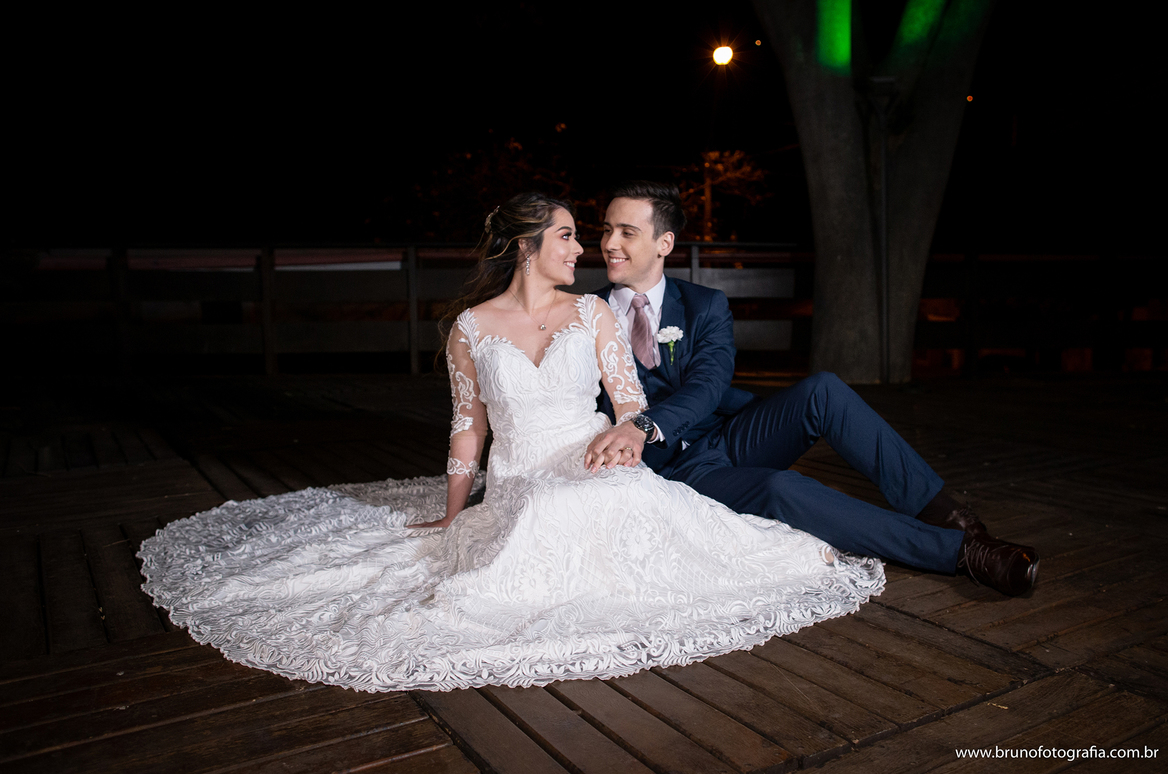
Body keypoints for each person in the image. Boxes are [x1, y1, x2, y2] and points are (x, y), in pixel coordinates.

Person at [139, 192, 885, 694]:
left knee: (623, 499)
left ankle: (760, 553)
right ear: (528, 246)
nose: (584, 245)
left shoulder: (592, 313)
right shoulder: (471, 329)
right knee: (539, 512)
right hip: (522, 466)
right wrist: (454, 509)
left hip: (589, 450)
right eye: (567, 234)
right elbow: (468, 428)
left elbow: (629, 400)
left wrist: (627, 433)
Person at [590, 180, 1038, 596]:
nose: (610, 243)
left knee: (824, 389)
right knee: (781, 488)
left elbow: (709, 383)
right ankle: (963, 553)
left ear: (664, 243)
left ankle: (952, 517)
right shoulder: (586, 315)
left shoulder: (704, 304)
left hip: (728, 433)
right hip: (674, 470)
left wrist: (645, 423)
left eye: (627, 232)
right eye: (607, 230)